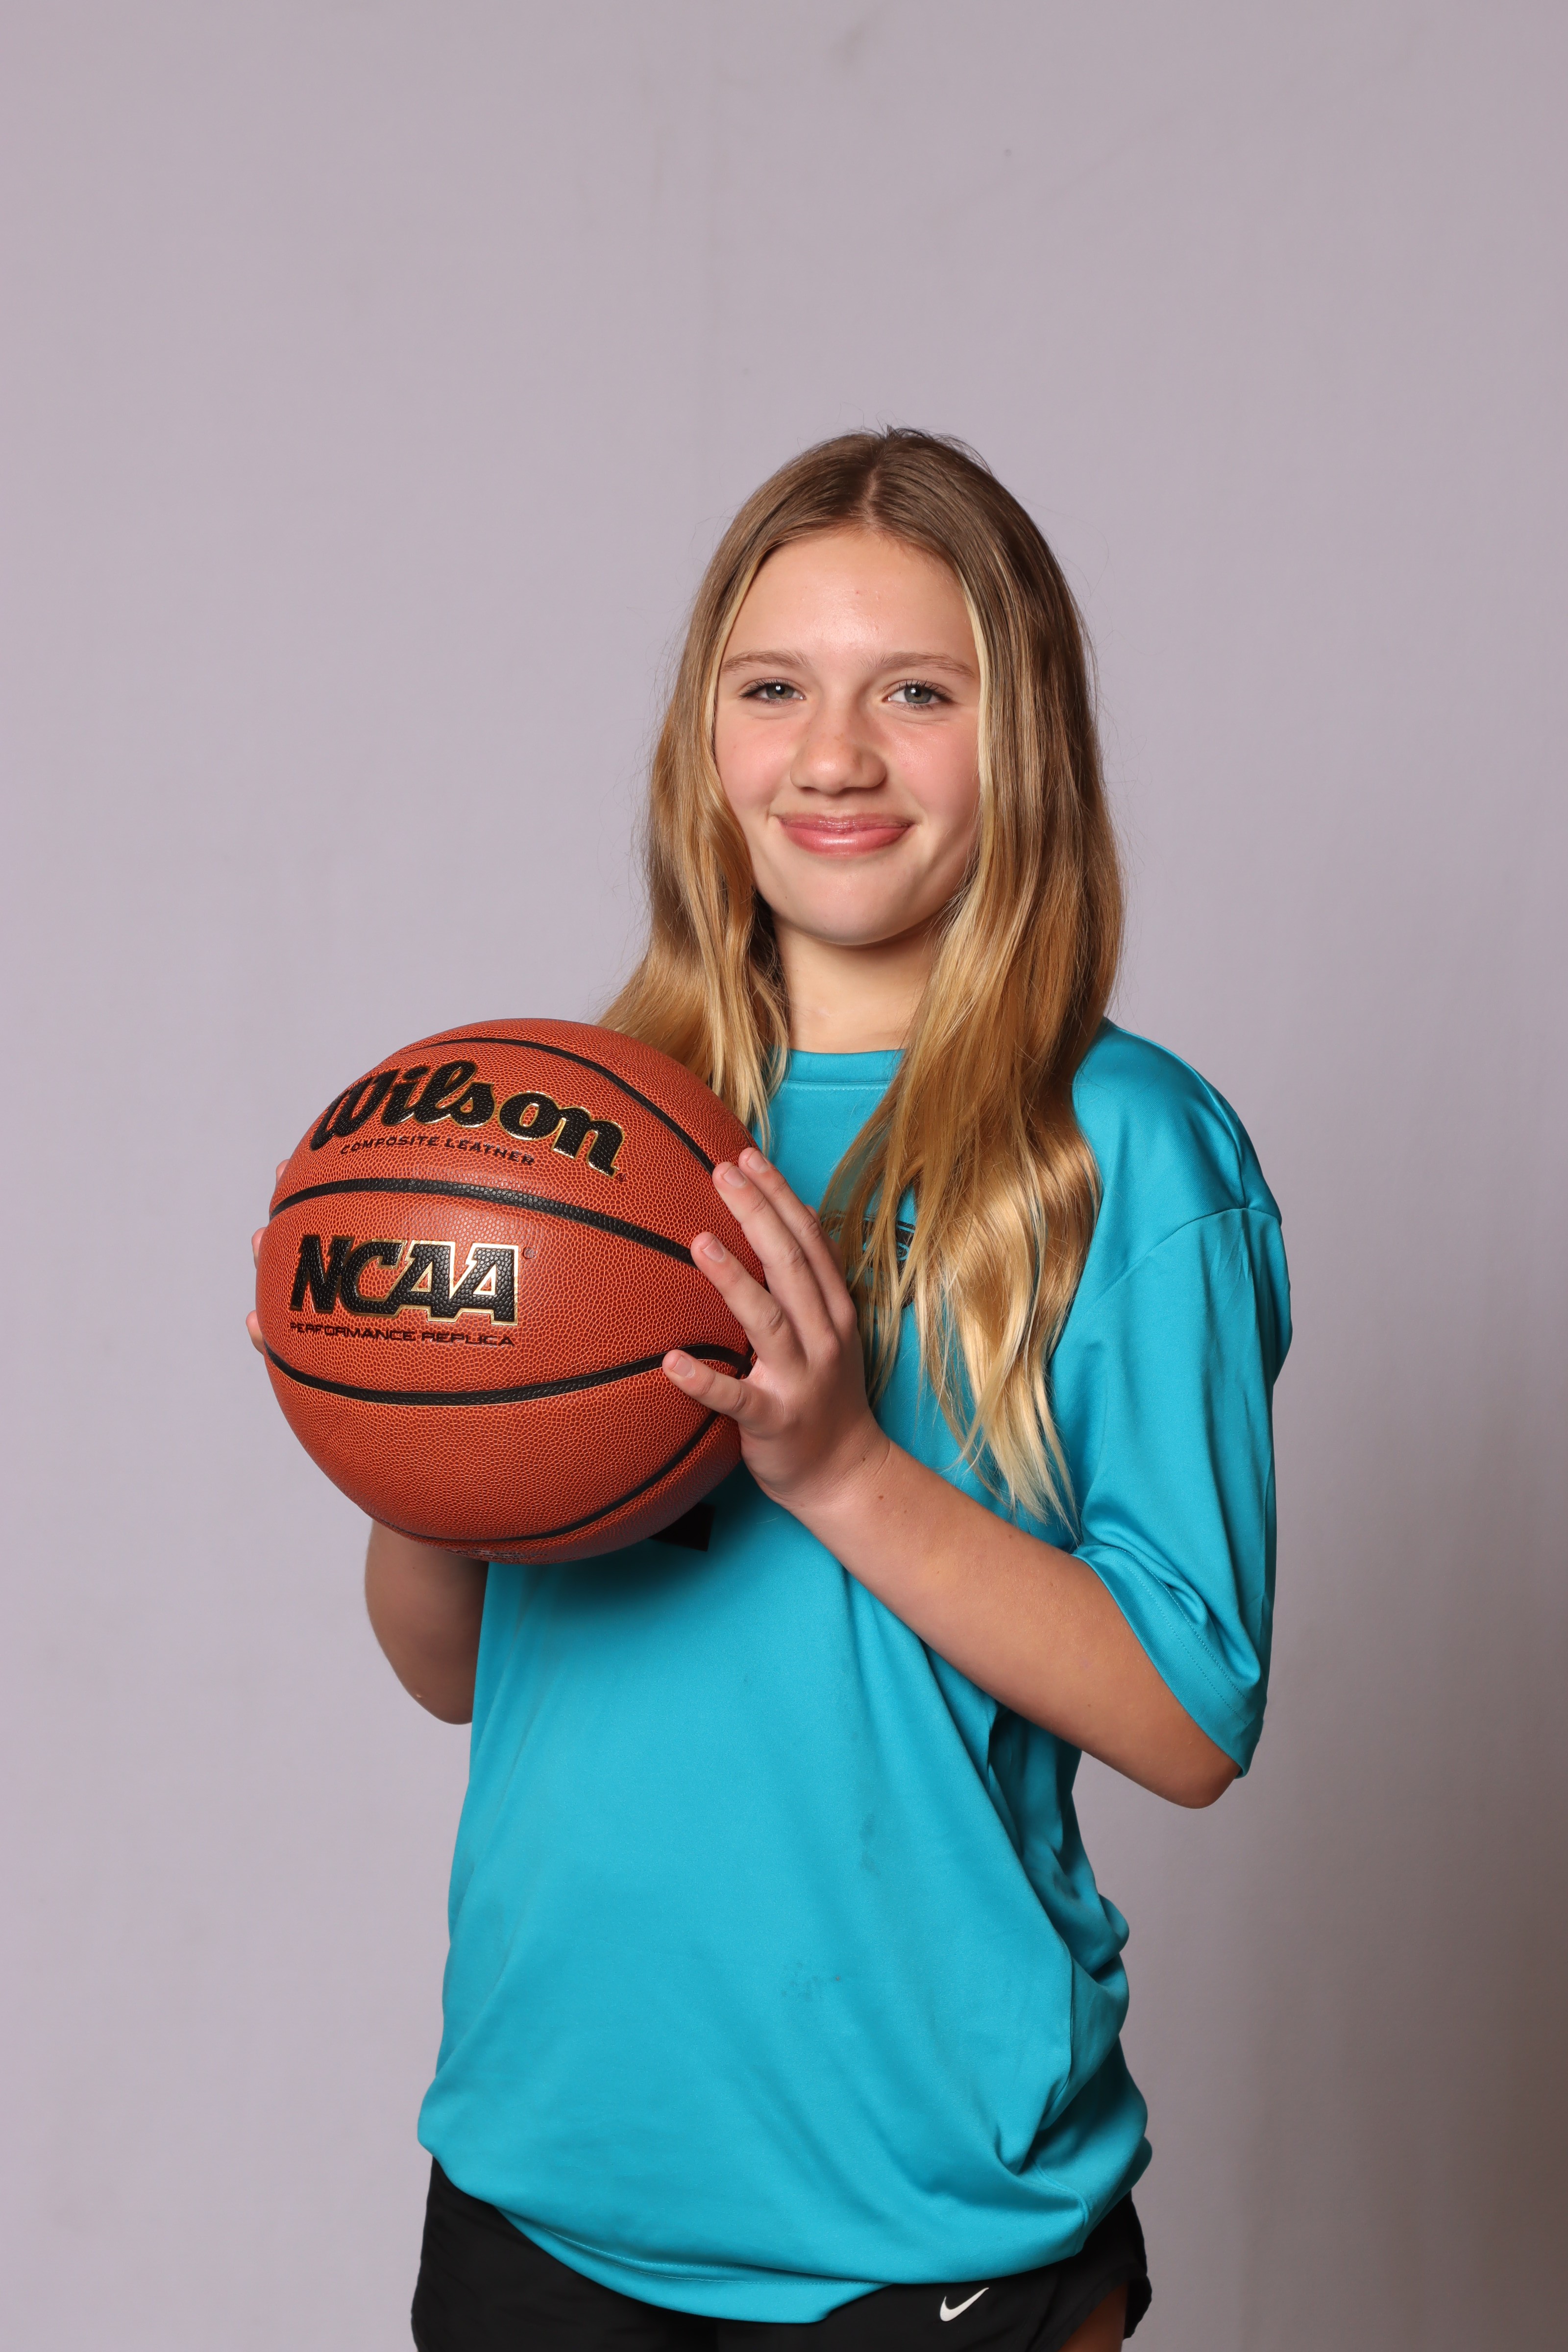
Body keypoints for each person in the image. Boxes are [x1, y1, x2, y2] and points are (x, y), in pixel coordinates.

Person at [252, 430, 1290, 2349]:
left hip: (923, 2208)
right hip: (546, 2174)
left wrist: (837, 1470)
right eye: (772, 688)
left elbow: (1187, 1718)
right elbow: (462, 1671)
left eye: (917, 693)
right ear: (700, 738)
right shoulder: (581, 1128)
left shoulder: (1121, 1150)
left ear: (1024, 740)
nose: (834, 757)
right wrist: (407, 1447)